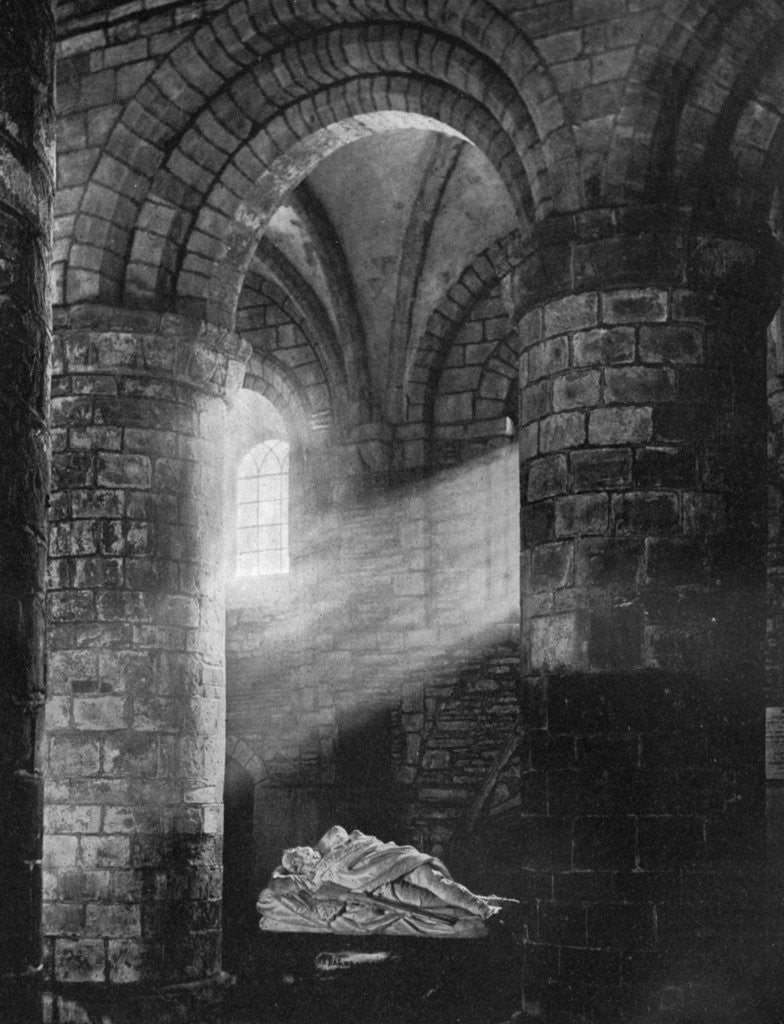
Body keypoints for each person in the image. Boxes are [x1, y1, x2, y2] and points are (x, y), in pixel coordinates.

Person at [257, 825, 505, 937]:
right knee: (427, 901)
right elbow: (274, 886)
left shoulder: (329, 848)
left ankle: (483, 907)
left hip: (390, 859)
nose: (304, 858)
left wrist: (321, 851)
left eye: (302, 853)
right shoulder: (313, 882)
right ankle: (478, 910)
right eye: (296, 864)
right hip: (383, 888)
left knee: (433, 879)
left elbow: (339, 831)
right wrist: (283, 869)